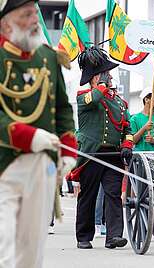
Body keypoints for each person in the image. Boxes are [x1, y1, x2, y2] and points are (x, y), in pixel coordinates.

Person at [0, 1, 77, 267]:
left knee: (31, 248)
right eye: (26, 15)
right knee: (3, 243)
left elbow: (63, 108)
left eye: (35, 12)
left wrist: (68, 152)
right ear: (6, 23)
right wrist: (27, 136)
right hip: (4, 162)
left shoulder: (47, 56)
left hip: (41, 164)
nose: (34, 19)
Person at [69, 45, 133, 250]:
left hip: (113, 154)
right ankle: (84, 236)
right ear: (95, 78)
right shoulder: (84, 96)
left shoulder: (120, 103)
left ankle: (114, 235)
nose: (110, 79)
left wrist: (127, 145)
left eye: (109, 76)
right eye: (105, 75)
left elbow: (127, 128)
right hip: (91, 154)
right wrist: (101, 85)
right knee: (88, 194)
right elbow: (94, 98)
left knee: (113, 194)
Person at [130, 86, 154, 237]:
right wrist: (144, 129)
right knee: (143, 194)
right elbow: (132, 140)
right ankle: (143, 225)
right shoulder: (135, 119)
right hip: (140, 160)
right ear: (147, 99)